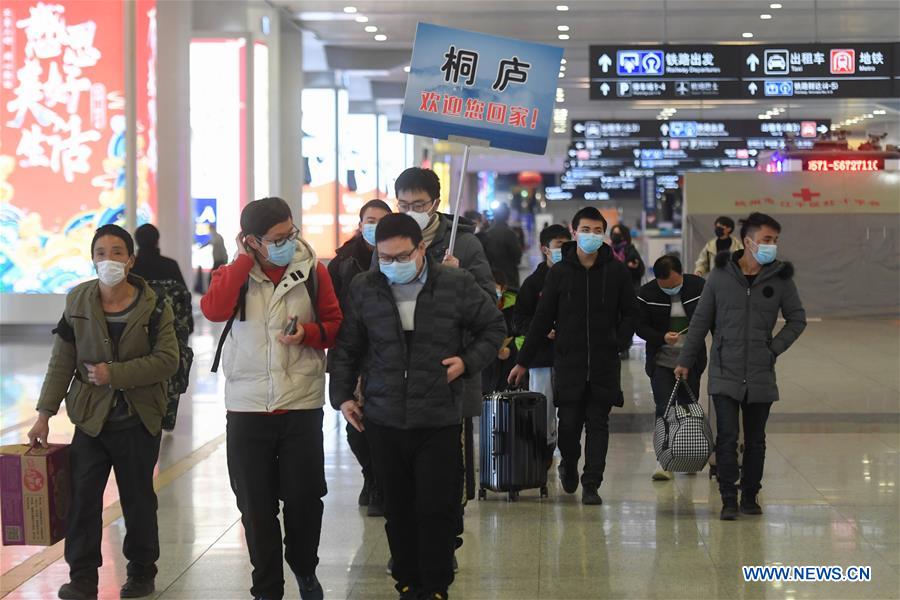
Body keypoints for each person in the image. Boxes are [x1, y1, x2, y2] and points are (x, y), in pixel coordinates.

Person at [328, 213, 506, 600]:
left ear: (422, 248)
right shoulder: (364, 287)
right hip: (383, 415)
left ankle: (437, 585)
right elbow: (347, 347)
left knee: (437, 508)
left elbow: (493, 327)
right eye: (385, 257)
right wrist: (341, 396)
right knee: (398, 509)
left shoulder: (455, 284)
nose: (393, 265)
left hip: (438, 416)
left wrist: (467, 362)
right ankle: (407, 582)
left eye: (402, 256)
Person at [201, 197, 343, 600]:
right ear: (252, 240)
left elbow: (334, 325)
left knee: (304, 499)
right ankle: (266, 587)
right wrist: (244, 262)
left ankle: (304, 567)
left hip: (300, 404)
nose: (287, 242)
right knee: (256, 508)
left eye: (290, 233)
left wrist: (310, 334)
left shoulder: (313, 272)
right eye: (276, 238)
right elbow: (213, 310)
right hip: (247, 409)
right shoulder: (234, 273)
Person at [28, 224, 179, 600]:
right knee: (82, 499)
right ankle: (82, 576)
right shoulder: (78, 300)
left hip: (138, 419)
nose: (108, 259)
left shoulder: (155, 304)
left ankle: (142, 572)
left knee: (138, 500)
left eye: (116, 252)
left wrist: (116, 374)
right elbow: (62, 360)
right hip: (91, 421)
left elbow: (167, 360)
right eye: (100, 252)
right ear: (92, 258)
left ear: (131, 259)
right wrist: (45, 412)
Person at [675, 212, 806, 521]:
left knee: (756, 440)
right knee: (727, 437)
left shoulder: (780, 278)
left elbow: (797, 319)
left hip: (760, 371)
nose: (771, 246)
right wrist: (684, 360)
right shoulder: (720, 276)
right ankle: (728, 497)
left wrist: (773, 348)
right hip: (725, 368)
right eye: (766, 240)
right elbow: (700, 322)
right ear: (748, 242)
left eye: (775, 240)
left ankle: (750, 495)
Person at [394, 167, 494, 552]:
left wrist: (459, 279)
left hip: (448, 374)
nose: (410, 210)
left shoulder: (464, 246)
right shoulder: (389, 241)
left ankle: (446, 538)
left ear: (435, 204)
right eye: (403, 204)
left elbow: (489, 303)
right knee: (403, 468)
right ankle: (410, 544)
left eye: (418, 204)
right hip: (400, 377)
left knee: (448, 469)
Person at [509, 207, 639, 506]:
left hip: (605, 364)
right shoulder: (560, 273)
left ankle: (592, 482)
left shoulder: (616, 271)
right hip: (569, 364)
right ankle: (569, 462)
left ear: (603, 233)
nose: (591, 236)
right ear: (574, 231)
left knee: (598, 425)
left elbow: (632, 312)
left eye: (597, 231)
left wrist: (618, 341)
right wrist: (522, 361)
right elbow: (541, 319)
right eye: (586, 229)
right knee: (568, 425)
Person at [328, 198, 392, 517]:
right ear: (360, 223)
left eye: (382, 220)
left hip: (384, 353)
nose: (374, 226)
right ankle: (371, 474)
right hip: (352, 351)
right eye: (370, 220)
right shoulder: (342, 262)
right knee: (356, 424)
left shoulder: (399, 258)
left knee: (381, 421)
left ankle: (381, 479)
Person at [635, 254, 706, 481]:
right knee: (664, 408)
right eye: (666, 287)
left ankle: (688, 456)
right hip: (662, 361)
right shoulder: (646, 294)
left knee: (688, 409)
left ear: (681, 275)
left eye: (675, 285)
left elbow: (710, 318)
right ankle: (663, 459)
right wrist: (661, 337)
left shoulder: (698, 287)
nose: (671, 290)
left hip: (691, 360)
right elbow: (640, 328)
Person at [513, 224, 572, 467]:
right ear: (544, 249)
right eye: (559, 245)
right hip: (540, 358)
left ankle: (568, 454)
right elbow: (519, 320)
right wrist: (539, 331)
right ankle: (543, 451)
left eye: (567, 245)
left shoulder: (576, 278)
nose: (564, 250)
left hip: (570, 356)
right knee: (543, 407)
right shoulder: (532, 284)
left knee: (569, 410)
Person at [132, 223, 194, 432]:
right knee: (168, 373)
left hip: (137, 335)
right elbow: (184, 299)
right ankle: (166, 416)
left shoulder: (132, 268)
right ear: (157, 240)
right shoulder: (169, 265)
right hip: (171, 334)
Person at [481, 270, 519, 395]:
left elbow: (523, 337)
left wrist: (511, 350)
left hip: (508, 372)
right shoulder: (476, 310)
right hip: (484, 375)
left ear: (503, 289)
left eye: (495, 289)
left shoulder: (515, 309)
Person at [482, 203, 524, 289]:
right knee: (509, 302)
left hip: (491, 279)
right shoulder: (509, 234)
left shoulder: (487, 234)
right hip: (509, 278)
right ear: (507, 216)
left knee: (494, 302)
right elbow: (517, 254)